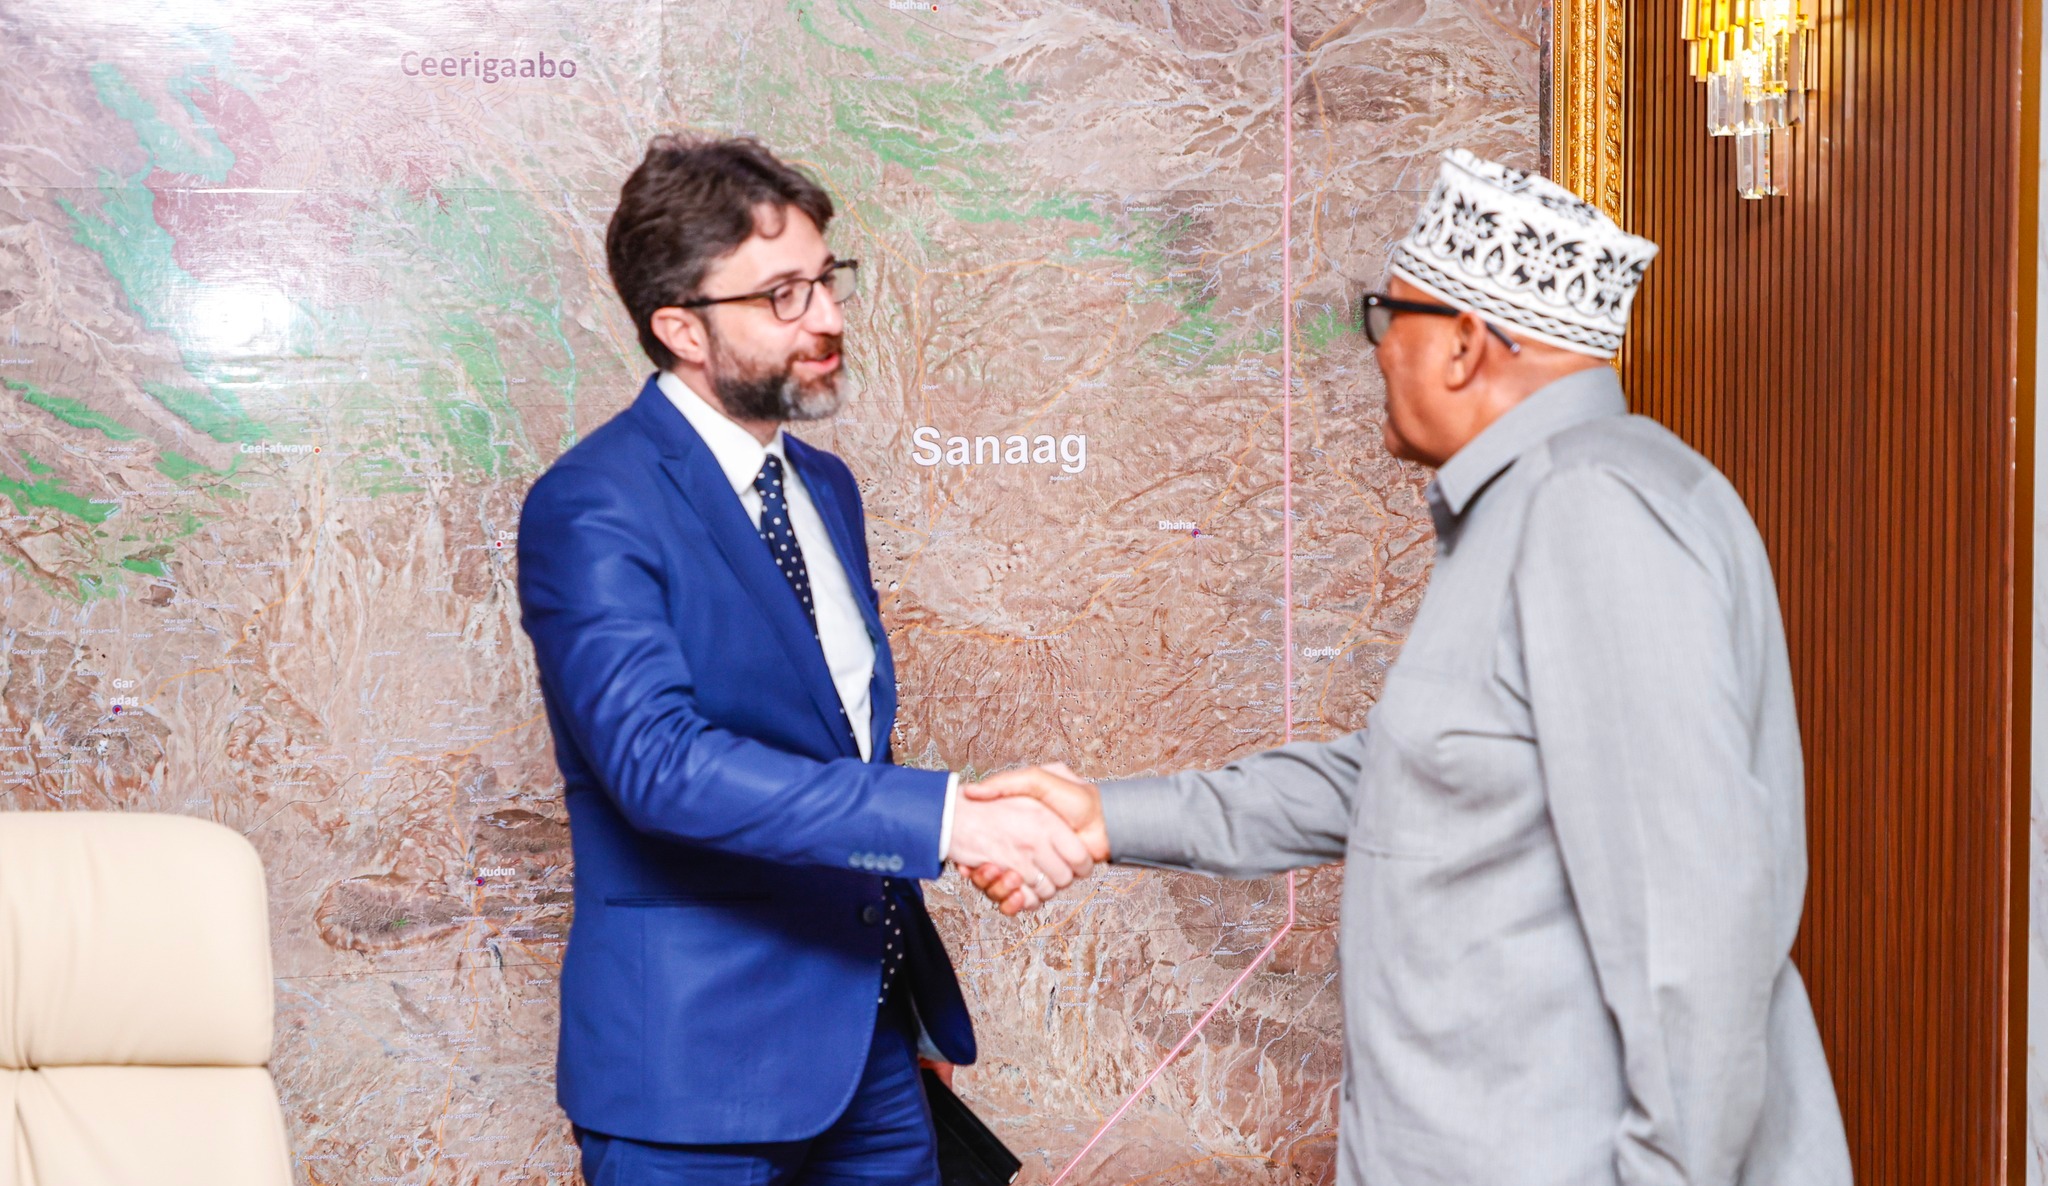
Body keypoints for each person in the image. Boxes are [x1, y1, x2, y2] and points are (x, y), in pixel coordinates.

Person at [969, 150, 1855, 1185]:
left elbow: (1687, 929)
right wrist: (1103, 816)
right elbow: (1404, 774)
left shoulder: (1592, 514)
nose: (1378, 354)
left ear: (1465, 344)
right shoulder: (1541, 502)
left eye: (1388, 319)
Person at [517, 135, 1092, 1185]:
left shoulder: (824, 491)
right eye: (781, 294)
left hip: (865, 1052)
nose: (825, 317)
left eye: (825, 280)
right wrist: (947, 820)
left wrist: (898, 1004)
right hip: (689, 1082)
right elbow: (660, 766)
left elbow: (829, 737)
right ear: (679, 326)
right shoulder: (591, 506)